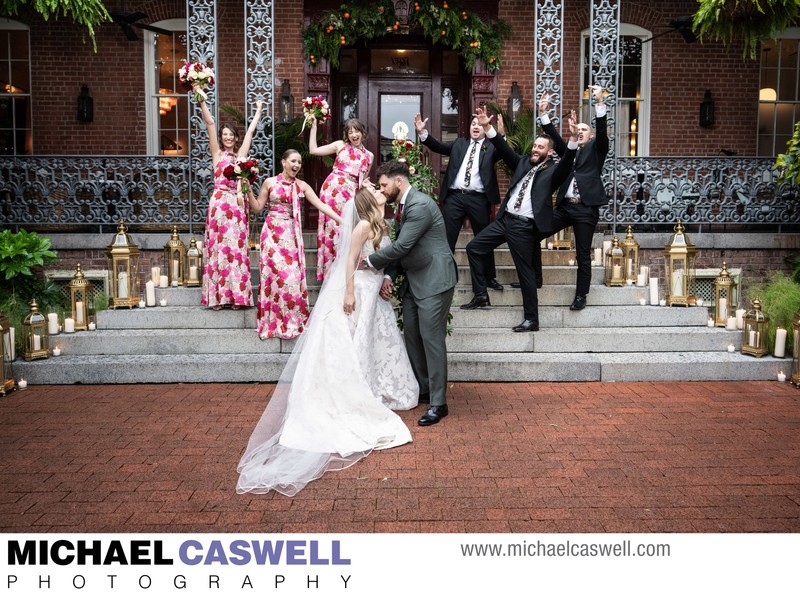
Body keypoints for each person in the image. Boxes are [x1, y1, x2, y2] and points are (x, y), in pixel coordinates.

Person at [236, 189, 417, 497]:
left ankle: (376, 383)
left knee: (374, 338)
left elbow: (382, 258)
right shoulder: (362, 226)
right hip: (358, 288)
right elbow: (348, 261)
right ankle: (355, 387)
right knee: (355, 339)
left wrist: (384, 278)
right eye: (374, 190)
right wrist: (348, 291)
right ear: (367, 202)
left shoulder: (383, 225)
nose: (379, 190)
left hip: (374, 287)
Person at [461, 106, 578, 332]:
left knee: (525, 273)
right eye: (534, 146)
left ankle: (531, 319)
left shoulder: (554, 171)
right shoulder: (524, 162)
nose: (535, 149)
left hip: (523, 227)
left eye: (540, 147)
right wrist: (487, 126)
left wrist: (572, 138)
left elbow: (568, 161)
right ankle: (481, 295)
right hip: (505, 220)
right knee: (474, 248)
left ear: (550, 152)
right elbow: (503, 149)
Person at [366, 160, 457, 427]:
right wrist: (388, 276)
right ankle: (424, 389)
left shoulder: (419, 205)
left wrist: (371, 261)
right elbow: (402, 249)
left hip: (435, 280)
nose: (382, 190)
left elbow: (403, 245)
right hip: (414, 281)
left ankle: (439, 403)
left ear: (398, 181)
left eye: (384, 185)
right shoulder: (404, 206)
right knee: (412, 336)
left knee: (431, 339)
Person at [248, 149, 341, 340]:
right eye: (293, 161)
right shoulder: (270, 183)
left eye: (299, 162)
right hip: (272, 234)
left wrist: (342, 220)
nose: (297, 165)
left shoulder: (302, 186)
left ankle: (290, 320)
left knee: (291, 278)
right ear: (283, 162)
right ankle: (273, 322)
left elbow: (321, 205)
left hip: (291, 235)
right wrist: (246, 186)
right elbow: (257, 208)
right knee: (274, 279)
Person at [414, 113, 504, 292]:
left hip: (478, 198)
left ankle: (489, 277)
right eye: (473, 124)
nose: (476, 127)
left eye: (479, 124)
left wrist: (500, 135)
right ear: (469, 127)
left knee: (483, 238)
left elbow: (503, 152)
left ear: (485, 128)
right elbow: (437, 146)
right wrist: (423, 133)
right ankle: (442, 275)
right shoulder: (459, 144)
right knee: (447, 237)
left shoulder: (490, 146)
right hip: (455, 197)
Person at [538, 85, 609, 311]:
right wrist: (543, 113)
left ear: (590, 135)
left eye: (584, 129)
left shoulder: (597, 150)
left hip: (586, 209)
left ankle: (581, 296)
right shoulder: (569, 150)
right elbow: (554, 136)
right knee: (533, 232)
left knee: (583, 255)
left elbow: (603, 131)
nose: (580, 131)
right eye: (577, 128)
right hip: (564, 208)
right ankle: (535, 278)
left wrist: (599, 102)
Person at [199, 99, 263, 310]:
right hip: (219, 205)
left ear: (235, 138)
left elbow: (250, 133)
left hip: (237, 205)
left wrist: (259, 111)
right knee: (218, 248)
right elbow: (209, 124)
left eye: (231, 135)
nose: (227, 137)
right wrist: (201, 101)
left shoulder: (241, 157)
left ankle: (237, 296)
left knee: (235, 249)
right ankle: (217, 297)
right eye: (224, 134)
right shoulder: (217, 155)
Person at [309, 117, 374, 281]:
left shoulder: (369, 156)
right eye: (350, 131)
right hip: (332, 190)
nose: (353, 134)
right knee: (332, 229)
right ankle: (330, 274)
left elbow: (362, 179)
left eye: (356, 130)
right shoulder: (340, 145)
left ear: (362, 132)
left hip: (351, 194)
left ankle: (345, 270)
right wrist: (314, 126)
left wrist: (366, 184)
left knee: (347, 230)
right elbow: (313, 150)